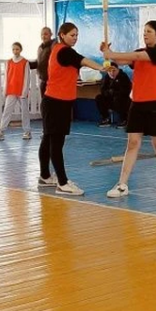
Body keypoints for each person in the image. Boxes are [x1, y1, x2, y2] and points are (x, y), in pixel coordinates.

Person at [102, 20, 156, 198]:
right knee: (133, 143)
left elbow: (137, 57)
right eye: (144, 31)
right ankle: (122, 184)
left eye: (149, 31)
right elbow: (122, 60)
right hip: (138, 104)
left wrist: (111, 53)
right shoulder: (139, 52)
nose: (145, 34)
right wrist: (108, 53)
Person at [38, 22, 106, 195]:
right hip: (56, 103)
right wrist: (101, 67)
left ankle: (45, 176)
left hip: (56, 101)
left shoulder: (59, 49)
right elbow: (83, 60)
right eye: (72, 35)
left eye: (77, 35)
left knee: (48, 139)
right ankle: (62, 183)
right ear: (62, 35)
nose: (75, 38)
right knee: (56, 142)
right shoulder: (64, 51)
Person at [0, 42, 32, 141]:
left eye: (17, 49)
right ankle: (1, 132)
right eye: (13, 49)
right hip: (11, 90)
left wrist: (24, 92)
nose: (15, 51)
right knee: (7, 111)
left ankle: (27, 131)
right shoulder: (8, 62)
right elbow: (6, 77)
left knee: (24, 112)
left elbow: (27, 78)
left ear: (21, 50)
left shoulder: (25, 62)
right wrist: (5, 90)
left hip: (21, 91)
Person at [95, 61, 132, 127]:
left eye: (114, 71)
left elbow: (125, 91)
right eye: (110, 71)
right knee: (99, 98)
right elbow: (103, 90)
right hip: (111, 99)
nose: (112, 73)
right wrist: (109, 92)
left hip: (123, 100)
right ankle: (106, 118)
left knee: (118, 98)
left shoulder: (123, 76)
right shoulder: (107, 77)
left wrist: (113, 92)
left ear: (118, 69)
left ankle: (124, 120)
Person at [36, 27, 55, 98]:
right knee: (44, 101)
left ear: (51, 34)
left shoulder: (54, 46)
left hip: (52, 81)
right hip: (43, 79)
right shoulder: (40, 47)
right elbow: (39, 62)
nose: (43, 36)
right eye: (42, 34)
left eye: (46, 34)